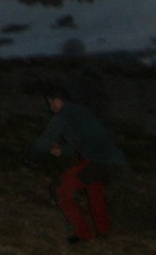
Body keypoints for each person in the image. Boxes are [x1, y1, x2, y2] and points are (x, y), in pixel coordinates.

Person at [27, 85, 125, 243]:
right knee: (93, 189)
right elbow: (82, 140)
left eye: (51, 103)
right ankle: (103, 230)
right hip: (113, 160)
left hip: (98, 162)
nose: (51, 108)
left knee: (59, 189)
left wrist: (31, 158)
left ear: (58, 101)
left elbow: (43, 142)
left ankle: (83, 234)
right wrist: (63, 150)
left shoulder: (62, 117)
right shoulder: (82, 111)